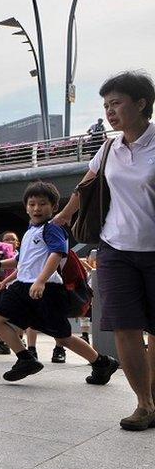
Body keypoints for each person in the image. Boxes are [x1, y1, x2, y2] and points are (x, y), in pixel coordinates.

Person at [55, 71, 155, 430]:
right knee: (125, 326)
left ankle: (154, 394)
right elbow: (87, 184)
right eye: (106, 106)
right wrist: (64, 216)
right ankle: (143, 404)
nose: (110, 112)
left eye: (117, 103)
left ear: (142, 103)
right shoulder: (109, 147)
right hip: (115, 249)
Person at [0, 181, 120, 385]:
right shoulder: (29, 231)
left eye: (42, 204)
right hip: (22, 287)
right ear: (26, 207)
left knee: (62, 337)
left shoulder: (53, 228)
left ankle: (101, 362)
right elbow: (21, 260)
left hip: (46, 289)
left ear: (54, 207)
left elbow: (57, 253)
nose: (36, 208)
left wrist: (41, 280)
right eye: (32, 204)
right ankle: (26, 359)